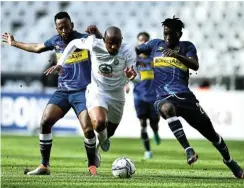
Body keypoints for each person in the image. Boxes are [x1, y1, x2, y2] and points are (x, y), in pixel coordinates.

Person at [136, 16, 244, 178]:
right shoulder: (154, 45)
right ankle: (188, 150)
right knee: (166, 108)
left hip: (185, 98)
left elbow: (195, 65)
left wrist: (176, 55)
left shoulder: (187, 47)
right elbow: (136, 50)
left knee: (212, 134)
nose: (167, 37)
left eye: (171, 34)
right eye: (165, 33)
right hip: (163, 97)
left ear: (179, 34)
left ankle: (230, 161)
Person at [2, 12, 102, 176]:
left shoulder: (84, 40)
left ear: (72, 25)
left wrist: (97, 34)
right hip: (62, 91)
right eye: (60, 28)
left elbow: (105, 45)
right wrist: (14, 43)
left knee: (88, 129)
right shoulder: (55, 41)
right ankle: (44, 166)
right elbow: (37, 47)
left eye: (66, 27)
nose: (64, 31)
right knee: (45, 122)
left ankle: (92, 166)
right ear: (56, 28)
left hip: (82, 92)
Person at [45, 26, 137, 153]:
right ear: (104, 40)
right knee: (99, 123)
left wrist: (131, 76)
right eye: (111, 44)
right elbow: (73, 43)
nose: (115, 47)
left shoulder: (127, 50)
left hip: (117, 93)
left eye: (117, 44)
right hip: (98, 90)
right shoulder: (94, 43)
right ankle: (102, 140)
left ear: (121, 40)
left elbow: (133, 72)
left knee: (110, 131)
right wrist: (61, 63)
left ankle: (98, 148)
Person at [125, 32, 160, 159]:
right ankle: (148, 151)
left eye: (145, 40)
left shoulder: (154, 59)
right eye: (141, 40)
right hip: (139, 96)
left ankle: (156, 132)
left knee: (154, 123)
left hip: (154, 97)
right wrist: (126, 84)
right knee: (143, 123)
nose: (143, 42)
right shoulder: (134, 60)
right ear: (137, 42)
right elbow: (128, 73)